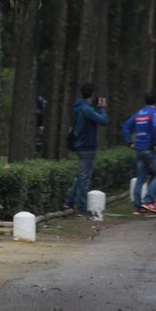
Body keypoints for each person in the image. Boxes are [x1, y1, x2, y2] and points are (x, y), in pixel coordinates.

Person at [67, 84, 109, 214]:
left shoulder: (79, 107)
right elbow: (103, 120)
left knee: (81, 175)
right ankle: (81, 208)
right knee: (85, 178)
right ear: (93, 94)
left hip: (80, 145)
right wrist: (102, 109)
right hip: (87, 146)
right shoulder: (86, 109)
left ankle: (69, 201)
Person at [123, 93, 156, 216]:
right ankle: (147, 201)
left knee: (141, 178)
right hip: (151, 149)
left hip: (139, 149)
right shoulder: (155, 113)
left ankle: (137, 207)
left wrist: (130, 142)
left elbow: (126, 126)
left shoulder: (139, 113)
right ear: (155, 102)